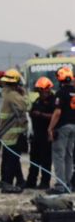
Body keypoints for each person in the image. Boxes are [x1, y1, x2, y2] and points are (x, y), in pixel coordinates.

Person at [0, 69, 28, 192]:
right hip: (13, 134)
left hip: (5, 133)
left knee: (9, 159)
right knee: (12, 160)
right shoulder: (13, 95)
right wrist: (24, 93)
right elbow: (27, 105)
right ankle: (8, 185)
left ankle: (18, 181)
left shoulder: (3, 92)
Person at [48, 66, 75, 194]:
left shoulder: (61, 93)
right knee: (69, 156)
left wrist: (50, 128)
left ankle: (60, 185)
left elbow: (57, 112)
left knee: (59, 156)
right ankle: (68, 184)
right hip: (74, 127)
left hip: (63, 127)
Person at [26, 76, 55, 189]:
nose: (41, 93)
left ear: (47, 89)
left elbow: (55, 116)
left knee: (45, 161)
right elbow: (32, 111)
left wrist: (41, 115)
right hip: (36, 135)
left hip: (46, 135)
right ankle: (31, 182)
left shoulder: (53, 101)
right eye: (39, 91)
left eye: (41, 90)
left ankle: (45, 182)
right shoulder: (37, 101)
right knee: (34, 160)